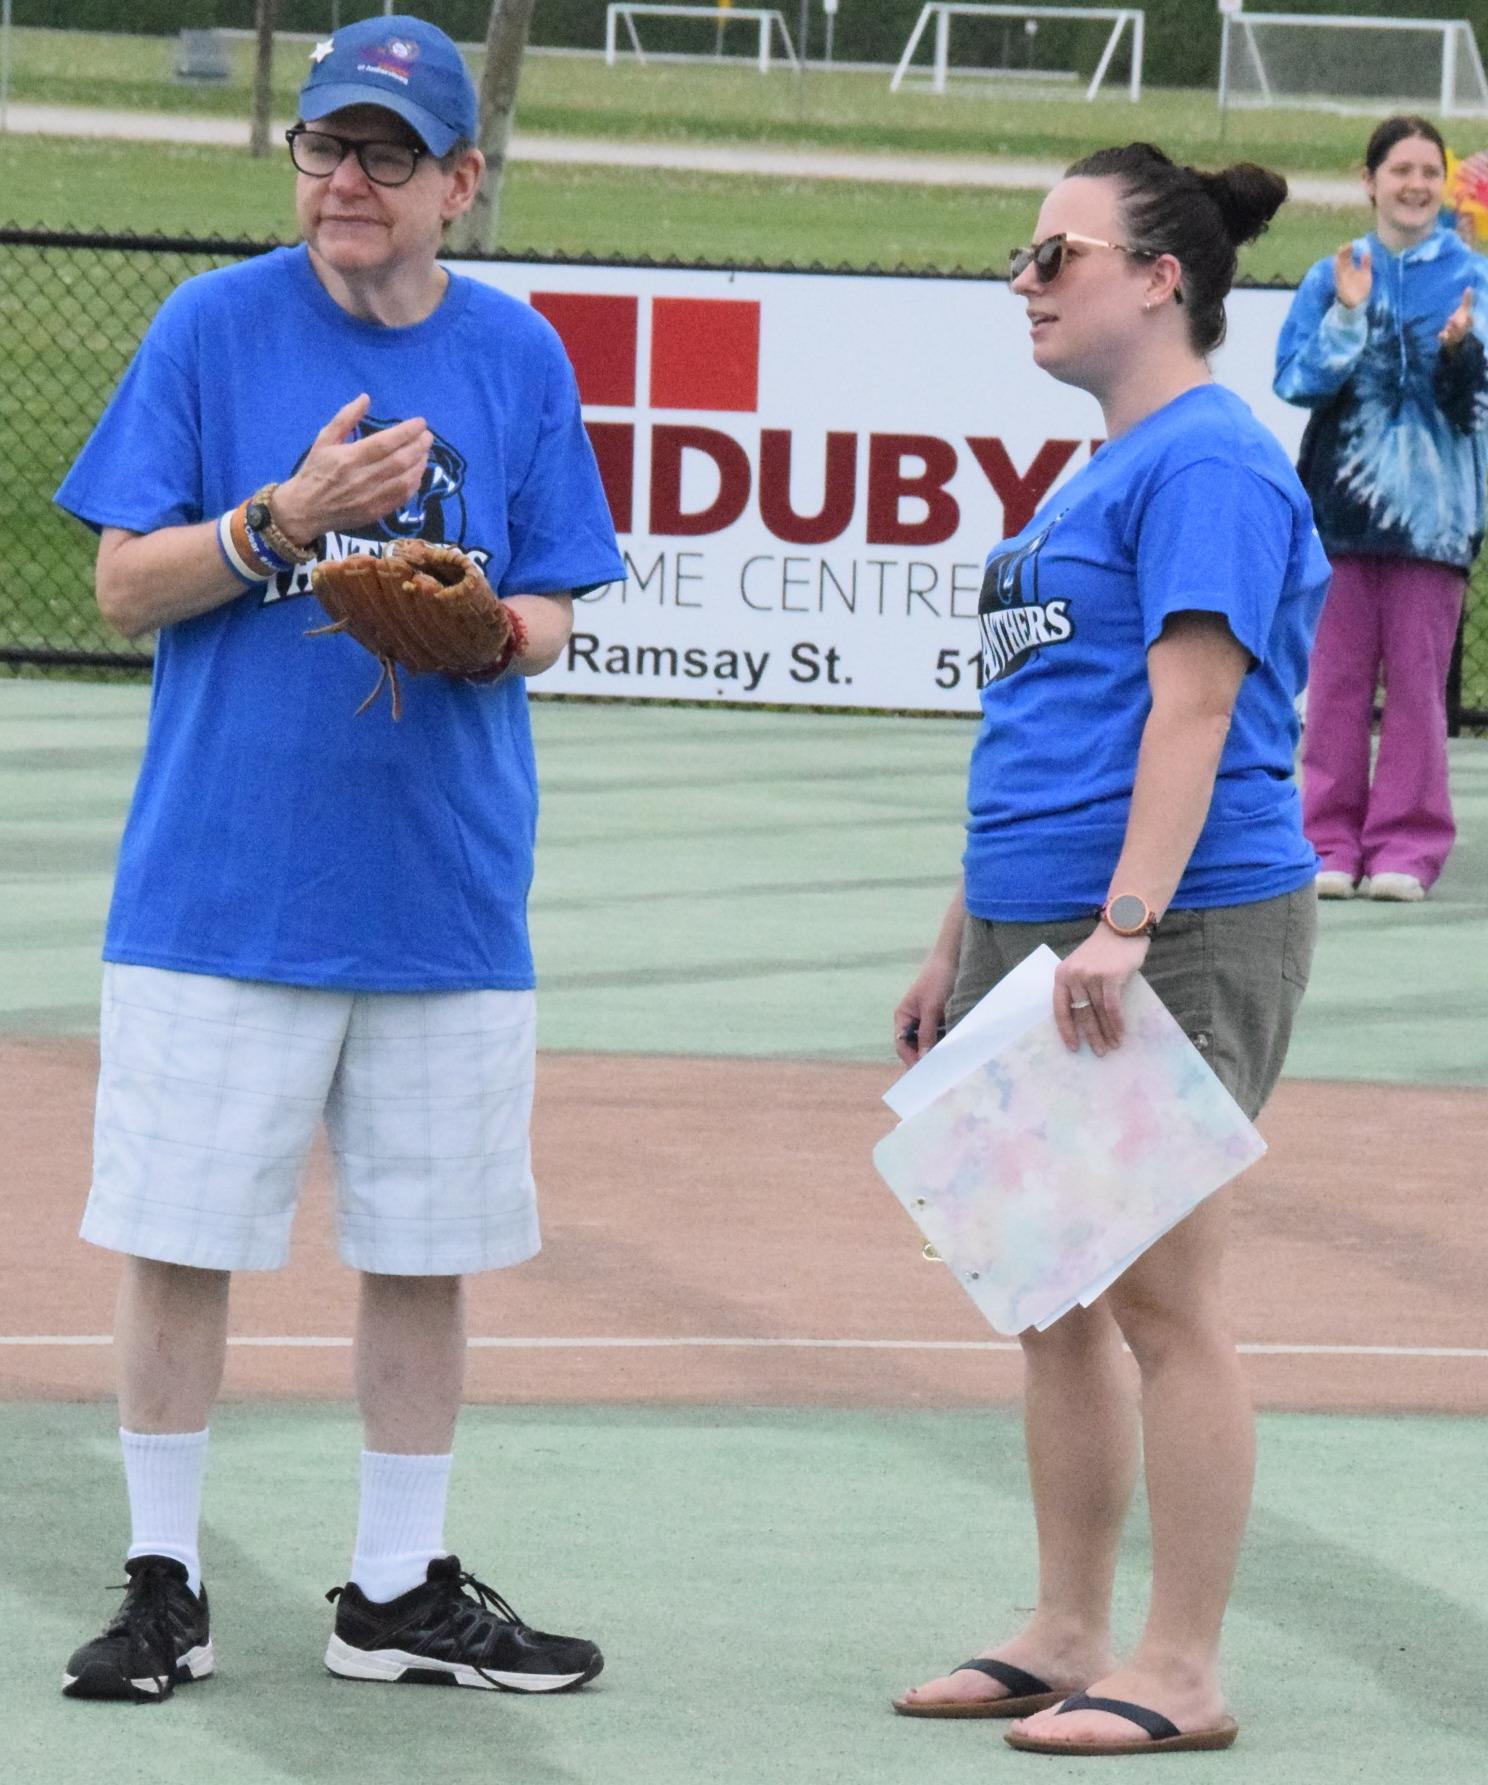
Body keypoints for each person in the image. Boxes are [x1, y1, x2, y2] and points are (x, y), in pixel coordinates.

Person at [53, 15, 623, 1703]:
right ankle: (164, 1578)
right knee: (179, 1235)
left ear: (461, 178)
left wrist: (486, 631)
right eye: (323, 145)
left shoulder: (515, 355)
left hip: (441, 886)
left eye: (385, 152)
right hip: (223, 879)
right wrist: (281, 527)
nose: (343, 178)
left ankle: (396, 1589)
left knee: (423, 1245)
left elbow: (557, 607)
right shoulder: (211, 326)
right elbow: (121, 585)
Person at [889, 144, 1327, 1755]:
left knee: (1162, 1300)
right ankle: (1068, 1626)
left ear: (1162, 280)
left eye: (1056, 253)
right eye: (1026, 253)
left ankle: (1184, 1666)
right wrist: (964, 935)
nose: (1028, 277)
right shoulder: (1104, 464)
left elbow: (1195, 705)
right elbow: (1042, 723)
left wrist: (1127, 923)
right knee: (1050, 1300)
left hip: (1174, 926)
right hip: (1040, 927)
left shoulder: (1205, 461)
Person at [1275, 114, 1488, 903]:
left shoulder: (1476, 279)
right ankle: (1326, 839)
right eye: (1399, 169)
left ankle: (1407, 846)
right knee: (1332, 683)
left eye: (1429, 171)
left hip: (1435, 523)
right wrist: (1349, 313)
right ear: (1370, 181)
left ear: (1444, 183)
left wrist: (1462, 350)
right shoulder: (1333, 273)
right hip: (1338, 519)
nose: (1415, 185)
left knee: (1418, 690)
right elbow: (1296, 379)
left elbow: (1477, 409)